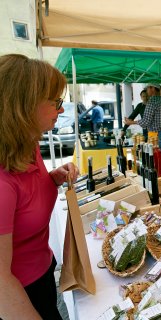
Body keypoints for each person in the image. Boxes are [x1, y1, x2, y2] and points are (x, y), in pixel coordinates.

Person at [0, 54, 79, 319]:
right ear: (25, 105)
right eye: (56, 102)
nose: (61, 110)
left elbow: (28, 195)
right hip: (20, 295)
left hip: (43, 271)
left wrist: (54, 177)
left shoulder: (28, 144)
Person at [124, 83, 161, 173]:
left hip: (155, 136)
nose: (147, 91)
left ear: (152, 88)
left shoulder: (152, 101)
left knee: (157, 163)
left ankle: (160, 184)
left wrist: (131, 122)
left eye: (147, 89)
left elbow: (146, 122)